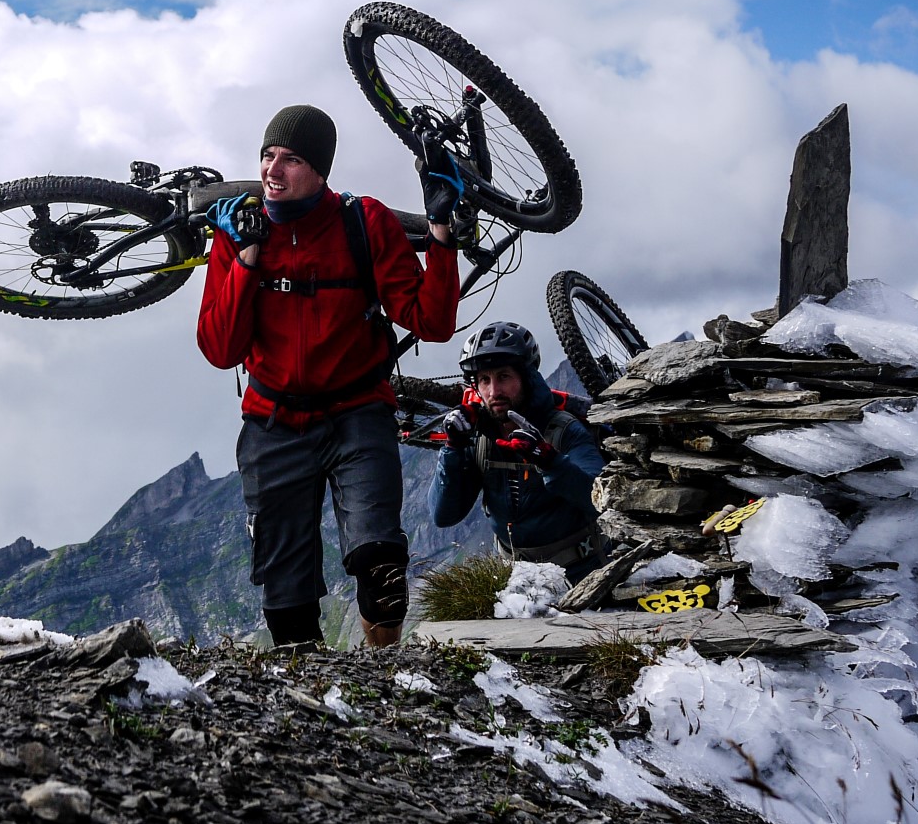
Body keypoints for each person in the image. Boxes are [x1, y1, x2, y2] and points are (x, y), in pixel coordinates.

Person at [196, 103, 463, 650]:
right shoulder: (237, 234)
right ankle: (314, 706)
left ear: (321, 170)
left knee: (382, 570)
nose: (273, 170)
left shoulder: (363, 222)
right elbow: (221, 350)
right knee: (286, 599)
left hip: (357, 413)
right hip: (272, 423)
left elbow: (431, 323)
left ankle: (382, 677)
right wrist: (246, 259)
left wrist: (441, 235)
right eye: (267, 156)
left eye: (291, 159)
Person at [429, 321, 609, 582]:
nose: (494, 391)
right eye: (484, 380)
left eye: (504, 377)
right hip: (514, 581)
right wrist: (453, 449)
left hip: (585, 573)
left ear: (526, 377)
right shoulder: (477, 437)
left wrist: (550, 461)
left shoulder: (564, 430)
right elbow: (443, 516)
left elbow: (600, 501)